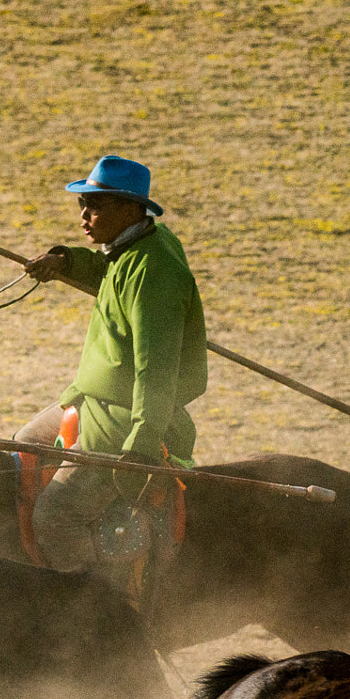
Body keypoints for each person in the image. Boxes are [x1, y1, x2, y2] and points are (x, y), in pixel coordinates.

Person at [18, 156, 207, 571]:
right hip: (93, 399)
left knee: (56, 516)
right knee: (24, 446)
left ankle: (101, 617)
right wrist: (65, 261)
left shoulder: (154, 273)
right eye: (82, 205)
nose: (85, 218)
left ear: (131, 209)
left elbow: (154, 371)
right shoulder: (131, 247)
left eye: (96, 207)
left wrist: (140, 446)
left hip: (125, 419)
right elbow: (106, 269)